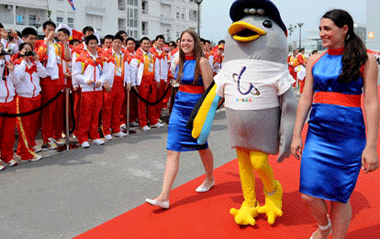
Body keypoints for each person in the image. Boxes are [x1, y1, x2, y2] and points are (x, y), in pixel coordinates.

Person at [291, 9, 379, 239]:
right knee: (308, 195)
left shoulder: (366, 59)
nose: (322, 33)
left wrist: (371, 146)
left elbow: (371, 102)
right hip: (318, 135)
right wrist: (296, 134)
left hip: (349, 137)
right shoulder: (314, 60)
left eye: (327, 28)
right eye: (320, 28)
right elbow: (305, 98)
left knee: (340, 196)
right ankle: (324, 228)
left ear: (344, 29)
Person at [145, 29, 215, 209]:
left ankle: (209, 178)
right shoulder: (179, 61)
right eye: (182, 40)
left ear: (195, 43)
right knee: (172, 150)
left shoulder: (203, 62)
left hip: (196, 112)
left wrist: (205, 118)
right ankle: (164, 196)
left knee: (202, 147)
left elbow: (210, 93)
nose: (185, 43)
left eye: (189, 41)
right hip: (178, 110)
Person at [14, 43, 49, 162]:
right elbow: (17, 78)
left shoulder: (34, 64)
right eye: (25, 50)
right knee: (25, 127)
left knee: (33, 126)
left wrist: (38, 62)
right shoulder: (17, 64)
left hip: (36, 97)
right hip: (24, 98)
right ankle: (26, 154)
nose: (28, 52)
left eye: (30, 50)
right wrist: (23, 60)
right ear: (20, 51)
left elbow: (44, 74)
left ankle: (21, 151)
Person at [72, 35, 108, 148]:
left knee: (95, 114)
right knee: (85, 115)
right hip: (87, 90)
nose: (93, 45)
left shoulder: (101, 58)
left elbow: (105, 73)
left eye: (95, 43)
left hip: (98, 89)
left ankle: (95, 136)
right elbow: (76, 73)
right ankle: (82, 137)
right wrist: (86, 80)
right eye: (91, 43)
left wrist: (101, 81)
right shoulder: (81, 58)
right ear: (86, 45)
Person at [130, 37, 163, 131]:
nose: (146, 45)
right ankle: (143, 123)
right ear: (140, 44)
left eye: (147, 43)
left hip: (151, 81)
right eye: (144, 43)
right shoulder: (137, 56)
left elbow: (156, 68)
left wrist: (157, 79)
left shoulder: (152, 55)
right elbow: (133, 71)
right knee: (142, 104)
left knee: (152, 101)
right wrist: (134, 83)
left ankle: (153, 121)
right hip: (142, 82)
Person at [102, 34, 130, 140]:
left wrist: (128, 82)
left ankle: (116, 129)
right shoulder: (106, 54)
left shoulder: (124, 55)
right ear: (112, 43)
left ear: (122, 44)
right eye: (115, 42)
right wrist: (105, 82)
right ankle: (106, 130)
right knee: (108, 109)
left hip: (120, 85)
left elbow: (128, 69)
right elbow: (102, 69)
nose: (117, 44)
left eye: (119, 42)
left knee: (117, 109)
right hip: (110, 85)